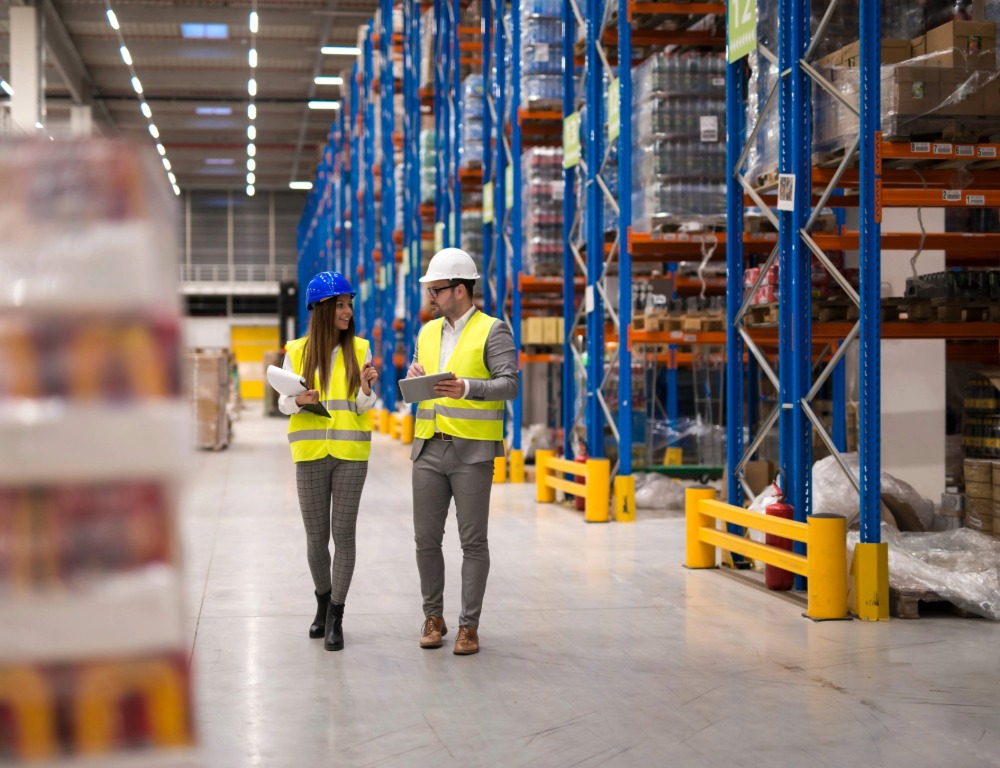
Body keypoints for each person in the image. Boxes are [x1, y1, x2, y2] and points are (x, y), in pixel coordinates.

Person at [404, 248, 518, 655]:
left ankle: (469, 626)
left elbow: (509, 384)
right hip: (428, 448)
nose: (431, 297)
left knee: (473, 543)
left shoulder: (493, 330)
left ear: (459, 289)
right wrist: (413, 376)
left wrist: (468, 387)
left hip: (472, 452)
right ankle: (433, 617)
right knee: (425, 541)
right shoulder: (427, 331)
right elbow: (420, 373)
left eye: (436, 290)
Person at [278, 271, 378, 652]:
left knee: (344, 536)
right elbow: (283, 402)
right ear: (321, 309)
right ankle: (322, 600)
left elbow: (361, 405)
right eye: (340, 304)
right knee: (316, 540)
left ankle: (336, 614)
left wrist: (367, 390)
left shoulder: (361, 349)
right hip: (310, 455)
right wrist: (298, 401)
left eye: (349, 304)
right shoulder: (297, 352)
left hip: (351, 454)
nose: (348, 311)